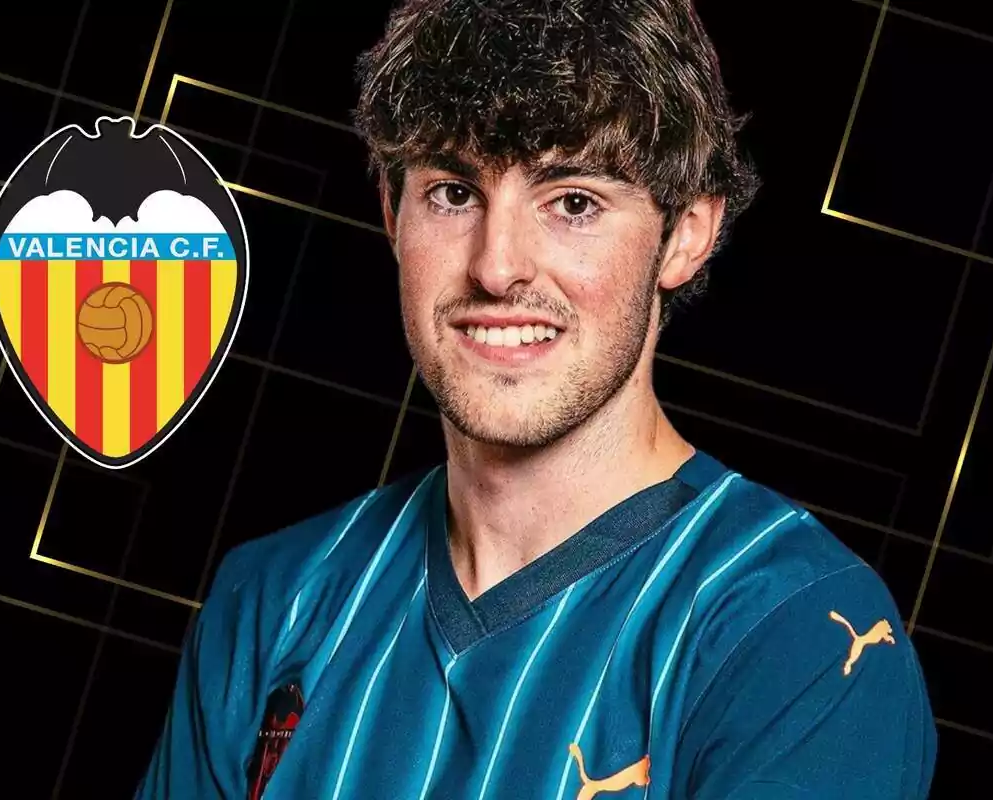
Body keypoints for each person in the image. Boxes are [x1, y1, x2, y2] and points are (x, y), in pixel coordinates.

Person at [135, 1, 937, 797]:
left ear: (685, 235)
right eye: (453, 193)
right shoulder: (274, 602)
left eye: (573, 202)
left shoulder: (794, 633)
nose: (497, 266)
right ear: (390, 209)